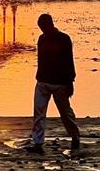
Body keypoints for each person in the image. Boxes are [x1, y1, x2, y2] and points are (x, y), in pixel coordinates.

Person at [27, 13, 81, 154]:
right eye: (41, 27)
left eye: (44, 27)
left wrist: (70, 81)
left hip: (60, 83)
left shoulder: (64, 39)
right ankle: (38, 142)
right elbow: (40, 60)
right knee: (39, 112)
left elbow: (69, 61)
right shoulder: (42, 39)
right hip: (43, 81)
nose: (42, 30)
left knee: (65, 113)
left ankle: (75, 136)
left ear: (50, 24)